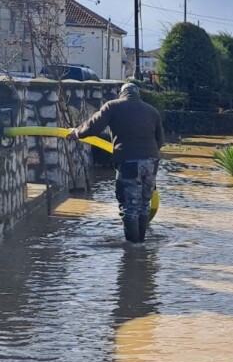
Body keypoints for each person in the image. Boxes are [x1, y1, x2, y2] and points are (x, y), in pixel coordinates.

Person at [67, 83, 164, 243]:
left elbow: (94, 126)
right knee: (144, 203)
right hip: (152, 161)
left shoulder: (113, 106)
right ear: (137, 94)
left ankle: (132, 248)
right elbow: (160, 140)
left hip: (128, 161)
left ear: (122, 93)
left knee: (130, 206)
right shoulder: (152, 111)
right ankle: (142, 245)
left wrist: (77, 132)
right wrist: (148, 157)